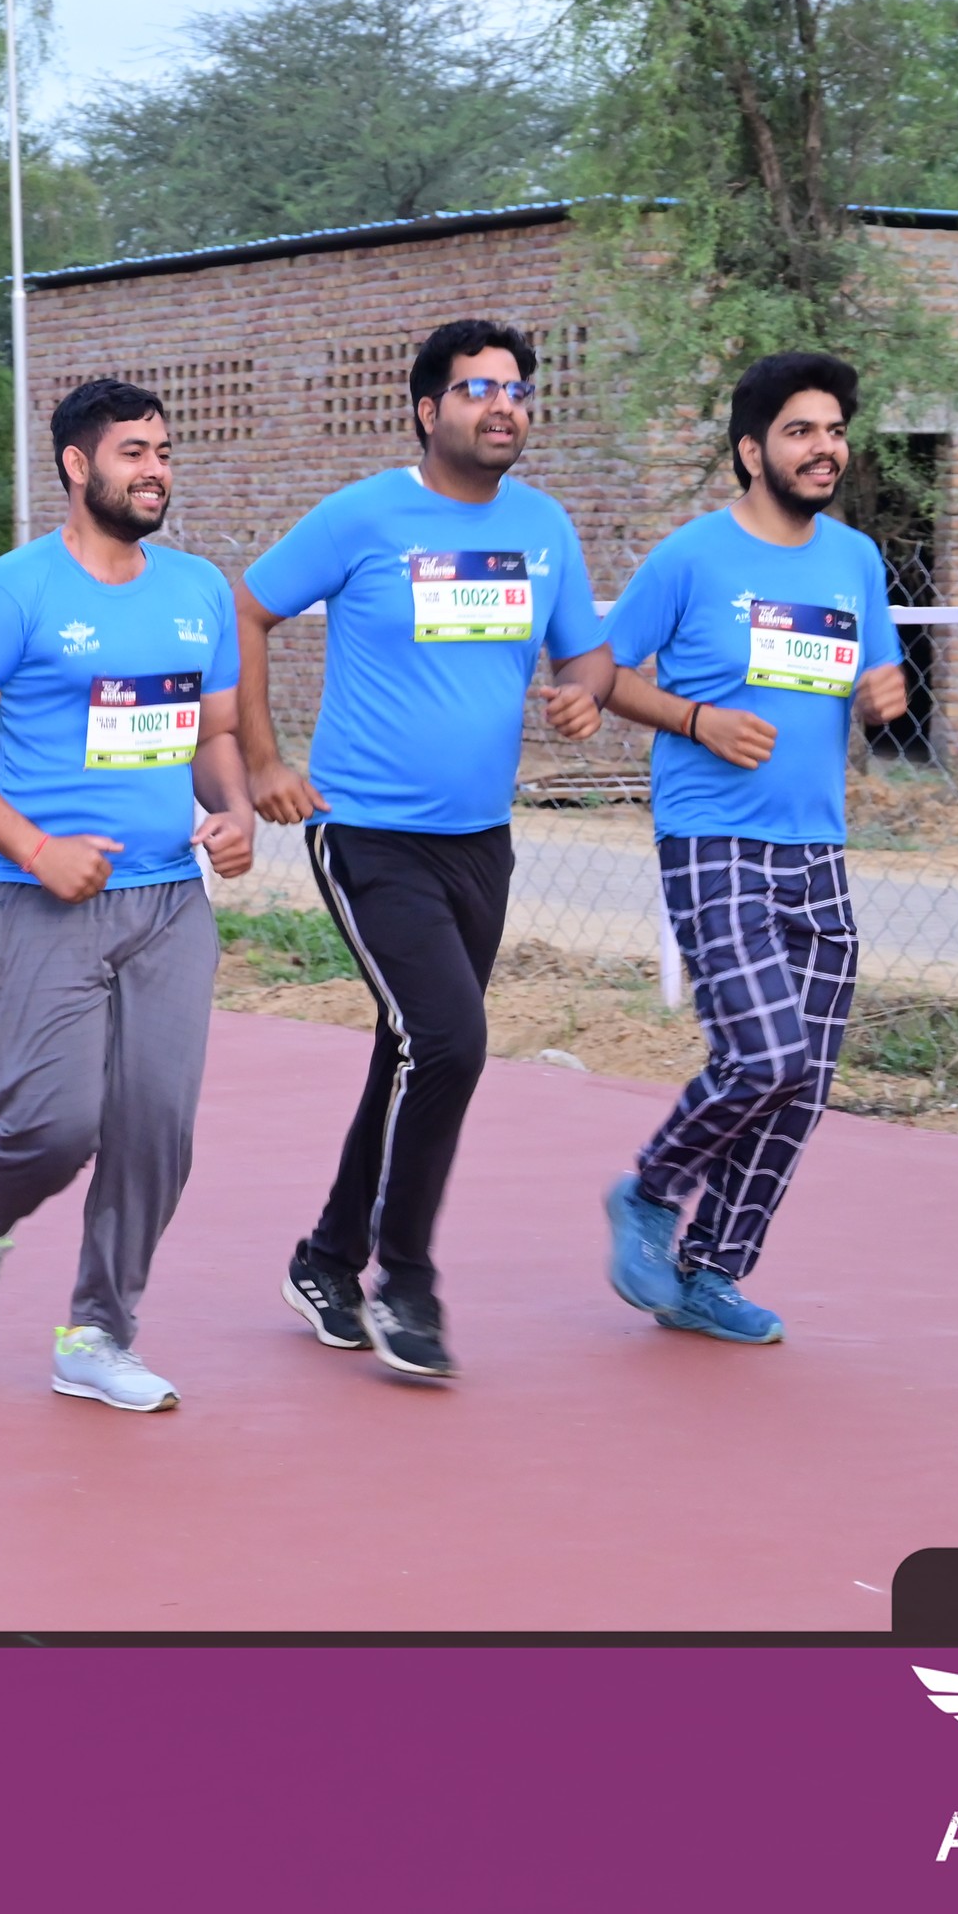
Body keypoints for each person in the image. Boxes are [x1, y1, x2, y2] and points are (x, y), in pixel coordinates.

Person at [234, 319, 613, 1381]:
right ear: (427, 409)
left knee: (410, 1049)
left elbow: (586, 655)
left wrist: (582, 695)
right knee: (448, 1041)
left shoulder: (544, 526)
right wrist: (263, 760)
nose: (504, 407)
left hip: (480, 843)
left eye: (518, 391)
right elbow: (246, 610)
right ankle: (405, 1278)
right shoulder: (362, 515)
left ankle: (325, 1258)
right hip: (367, 831)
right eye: (479, 389)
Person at [0, 378, 256, 1412]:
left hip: (169, 904)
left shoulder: (198, 590)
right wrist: (36, 846)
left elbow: (214, 733)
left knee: (155, 1130)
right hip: (41, 900)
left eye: (164, 453)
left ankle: (99, 1333)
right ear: (76, 464)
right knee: (53, 1126)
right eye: (133, 452)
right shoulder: (14, 592)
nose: (155, 471)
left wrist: (232, 811)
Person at [597, 351, 909, 1344]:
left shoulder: (855, 559)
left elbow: (879, 676)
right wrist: (698, 719)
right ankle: (651, 1189)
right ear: (750, 450)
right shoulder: (692, 557)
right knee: (763, 1052)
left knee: (804, 1081)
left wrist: (884, 695)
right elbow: (601, 671)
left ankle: (710, 1275)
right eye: (800, 431)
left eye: (834, 431)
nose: (824, 449)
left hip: (818, 846)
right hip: (713, 837)